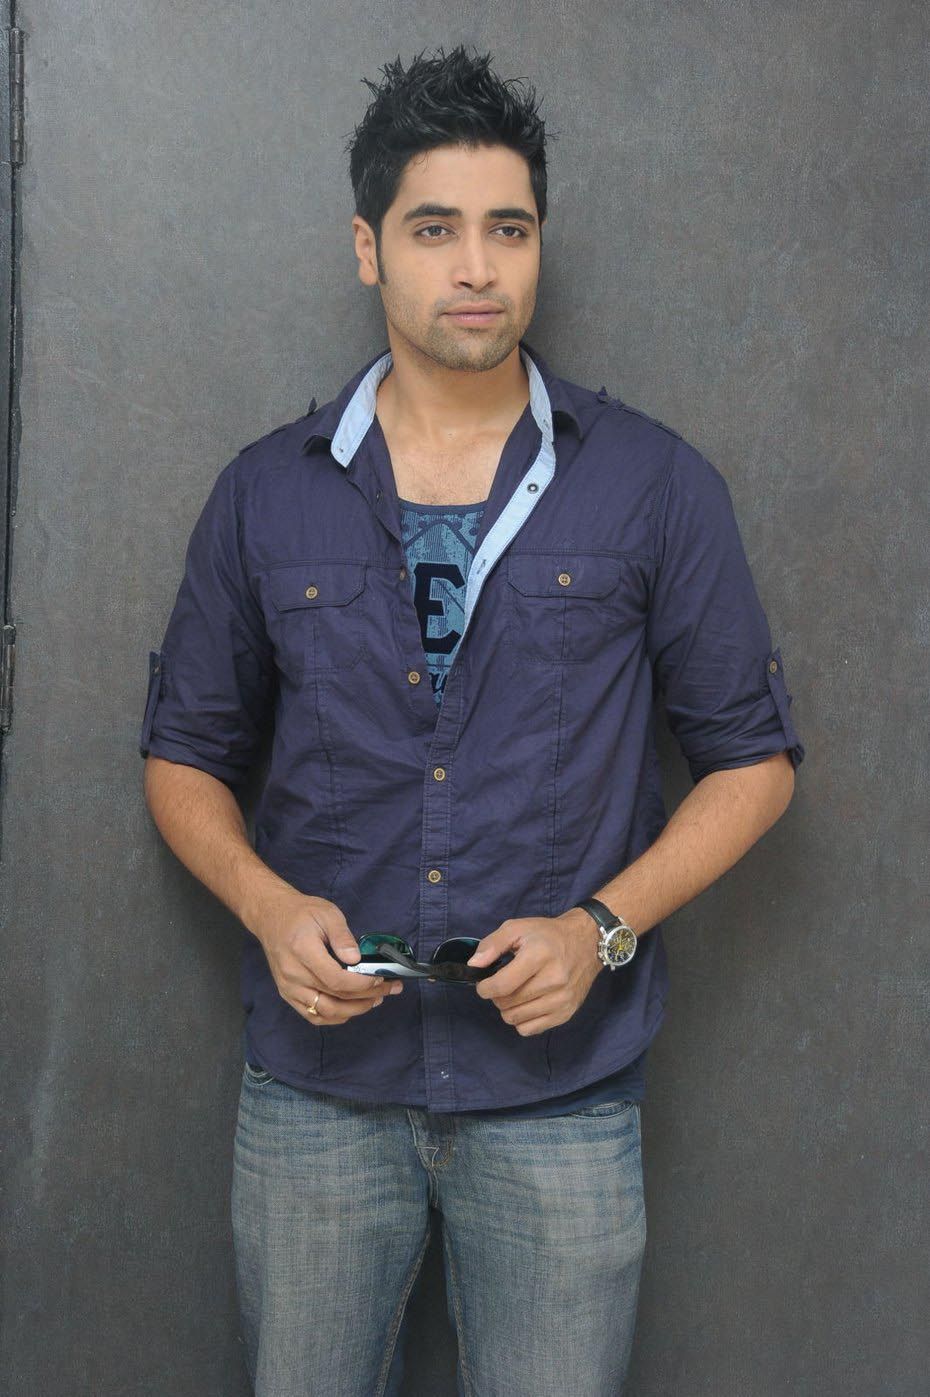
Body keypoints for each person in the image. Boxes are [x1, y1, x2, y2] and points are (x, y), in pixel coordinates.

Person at [140, 42, 804, 1397]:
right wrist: (269, 908)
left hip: (559, 1100)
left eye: (509, 228)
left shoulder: (653, 485)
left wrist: (600, 927)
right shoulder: (264, 494)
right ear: (368, 248)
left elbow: (754, 763)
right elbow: (182, 756)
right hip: (318, 1096)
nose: (478, 266)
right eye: (434, 228)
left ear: (539, 243)